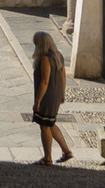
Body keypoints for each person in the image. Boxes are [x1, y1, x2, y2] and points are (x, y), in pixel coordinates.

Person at [31, 30, 74, 165]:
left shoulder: (45, 58)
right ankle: (66, 151)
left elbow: (45, 81)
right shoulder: (58, 55)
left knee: (44, 125)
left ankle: (47, 158)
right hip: (56, 93)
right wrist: (62, 93)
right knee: (50, 123)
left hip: (47, 96)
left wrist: (38, 100)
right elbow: (63, 76)